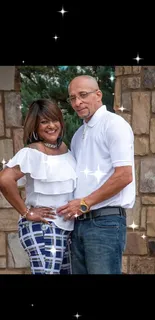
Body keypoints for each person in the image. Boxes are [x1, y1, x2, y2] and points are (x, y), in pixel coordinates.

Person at [57, 75, 135, 274]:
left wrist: (84, 203)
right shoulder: (77, 136)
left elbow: (124, 175)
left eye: (83, 95)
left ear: (98, 94)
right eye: (72, 98)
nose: (77, 102)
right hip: (79, 225)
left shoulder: (114, 125)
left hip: (105, 223)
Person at [0, 99, 77, 274]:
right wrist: (27, 213)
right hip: (43, 228)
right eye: (44, 122)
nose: (51, 126)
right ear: (35, 126)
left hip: (65, 230)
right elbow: (4, 180)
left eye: (54, 120)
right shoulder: (32, 152)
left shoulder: (65, 149)